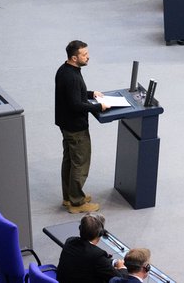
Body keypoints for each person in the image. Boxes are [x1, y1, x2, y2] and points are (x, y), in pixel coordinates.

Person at [55, 41, 108, 213]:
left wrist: (91, 94)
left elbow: (73, 96)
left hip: (66, 124)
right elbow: (75, 105)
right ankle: (77, 203)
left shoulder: (65, 70)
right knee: (80, 163)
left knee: (70, 161)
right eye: (84, 55)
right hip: (75, 128)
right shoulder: (71, 77)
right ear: (74, 57)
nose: (88, 57)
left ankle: (68, 197)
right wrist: (98, 107)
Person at [57, 213, 129, 281]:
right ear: (100, 233)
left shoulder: (70, 241)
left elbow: (89, 260)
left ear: (80, 228)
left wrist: (113, 262)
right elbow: (121, 280)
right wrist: (121, 267)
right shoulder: (96, 255)